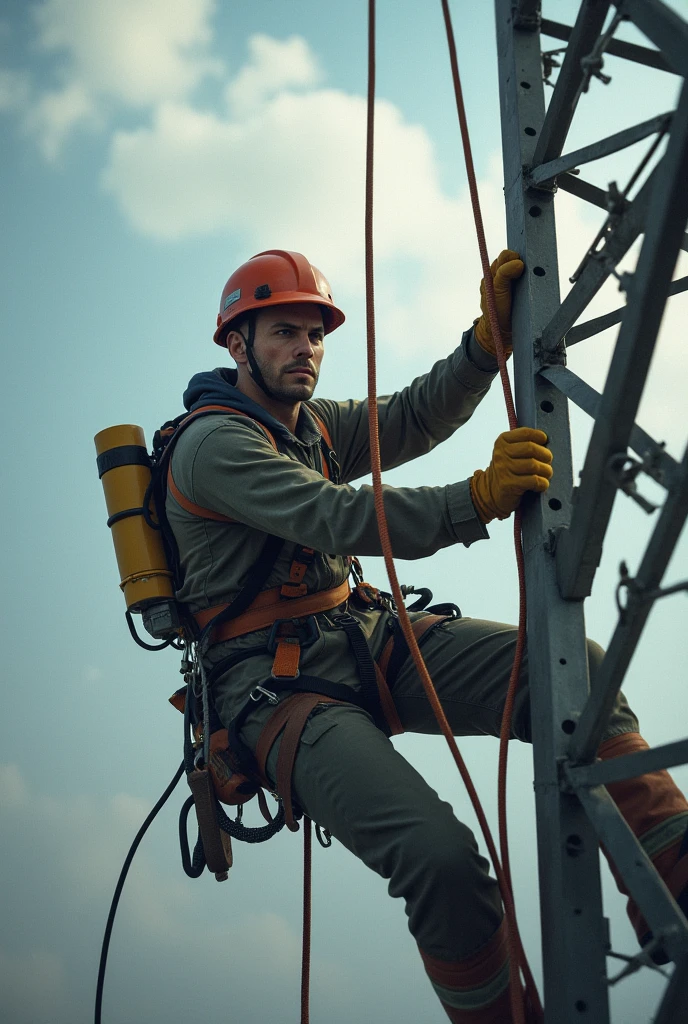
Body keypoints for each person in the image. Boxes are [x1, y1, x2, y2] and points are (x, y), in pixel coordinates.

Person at [167, 249, 688, 1023]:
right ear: (237, 346)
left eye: (314, 334)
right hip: (274, 692)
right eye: (283, 333)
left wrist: (485, 346)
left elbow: (410, 416)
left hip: (358, 635)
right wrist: (474, 499)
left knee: (574, 668)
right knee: (441, 863)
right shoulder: (215, 446)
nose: (304, 349)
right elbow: (338, 517)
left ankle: (675, 893)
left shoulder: (307, 426)